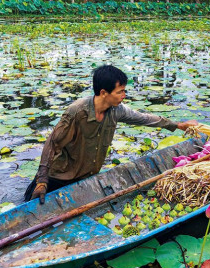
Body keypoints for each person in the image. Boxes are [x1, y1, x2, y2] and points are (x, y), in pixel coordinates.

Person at [25, 65, 198, 204]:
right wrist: (42, 181)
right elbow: (53, 143)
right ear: (103, 93)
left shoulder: (116, 110)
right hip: (58, 177)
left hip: (85, 177)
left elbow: (144, 118)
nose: (124, 95)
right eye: (120, 92)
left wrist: (178, 125)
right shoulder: (77, 112)